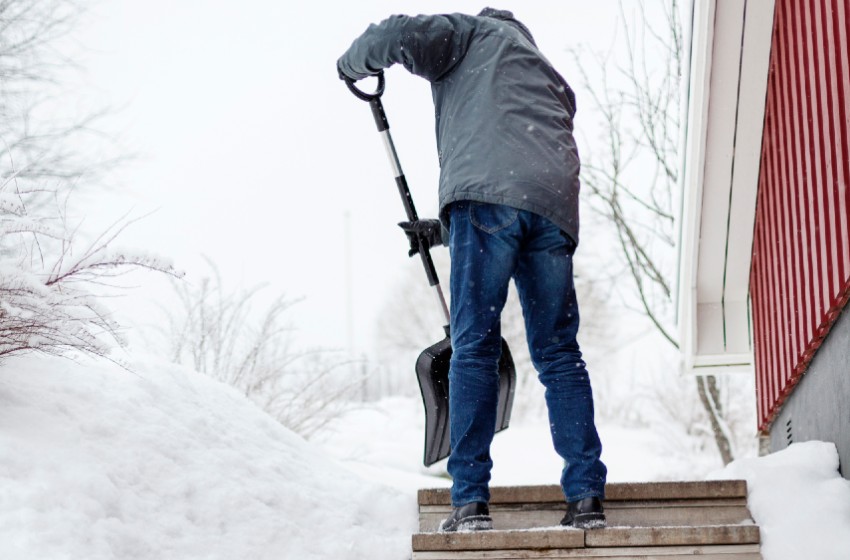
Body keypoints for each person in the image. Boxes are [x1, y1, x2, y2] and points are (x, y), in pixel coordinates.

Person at [338, 8, 607, 532]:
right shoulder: (547, 75)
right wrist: (444, 228)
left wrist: (351, 65)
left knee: (475, 345)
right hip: (553, 208)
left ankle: (469, 502)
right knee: (557, 351)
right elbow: (517, 172)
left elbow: (398, 34)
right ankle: (587, 497)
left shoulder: (466, 33)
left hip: (486, 201)